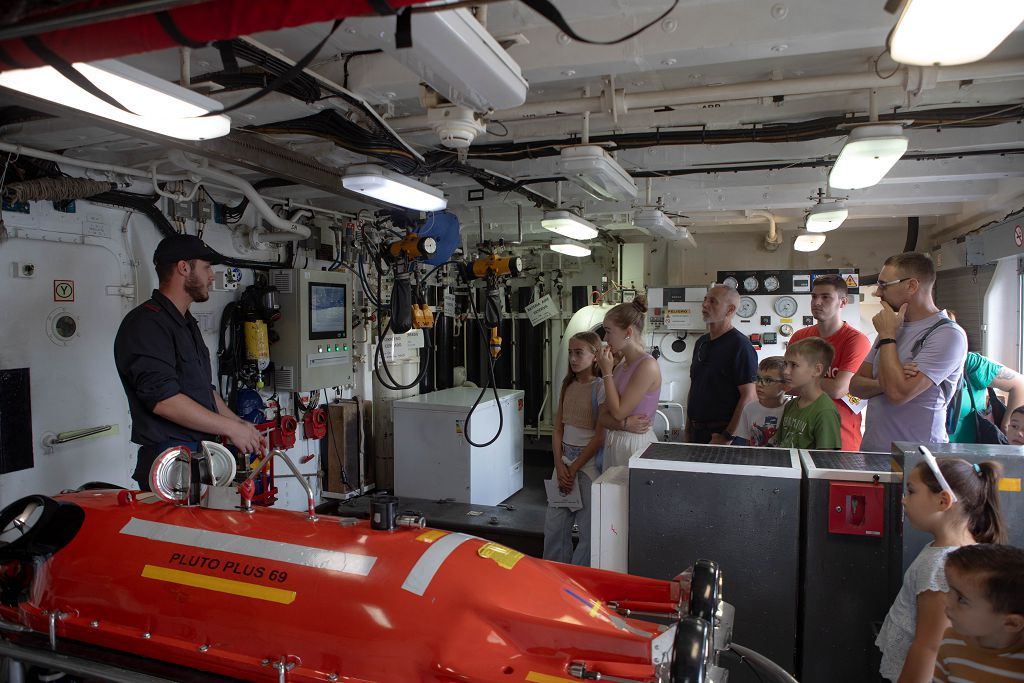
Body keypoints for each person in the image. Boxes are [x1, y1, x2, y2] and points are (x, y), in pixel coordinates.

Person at [114, 234, 262, 490]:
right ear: (183, 268)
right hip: (170, 460)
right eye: (206, 267)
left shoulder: (184, 322)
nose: (212, 276)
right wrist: (230, 427)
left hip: (198, 456)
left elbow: (204, 391)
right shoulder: (147, 324)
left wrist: (240, 426)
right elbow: (164, 401)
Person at [875, 457, 1006, 682]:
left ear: (943, 501)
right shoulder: (957, 551)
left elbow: (929, 647)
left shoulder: (941, 568)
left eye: (912, 492)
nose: (904, 501)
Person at [850, 252, 968, 452]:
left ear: (912, 286)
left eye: (884, 285)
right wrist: (887, 381)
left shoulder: (947, 334)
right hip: (873, 453)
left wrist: (888, 336)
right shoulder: (895, 326)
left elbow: (898, 394)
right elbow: (855, 386)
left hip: (917, 461)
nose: (877, 293)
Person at [543, 332, 605, 566]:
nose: (573, 358)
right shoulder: (567, 384)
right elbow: (558, 428)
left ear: (595, 356)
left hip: (587, 465)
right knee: (555, 526)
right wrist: (560, 466)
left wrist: (573, 468)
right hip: (564, 462)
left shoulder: (599, 387)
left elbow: (600, 436)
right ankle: (552, 573)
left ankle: (579, 577)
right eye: (570, 353)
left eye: (579, 353)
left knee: (589, 530)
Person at [790, 274, 871, 451]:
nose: (817, 302)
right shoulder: (799, 337)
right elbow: (787, 384)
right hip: (802, 432)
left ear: (842, 302)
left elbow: (838, 390)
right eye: (814, 296)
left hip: (840, 437)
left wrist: (802, 379)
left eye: (825, 297)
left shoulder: (856, 341)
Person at [935, 544, 1024, 681]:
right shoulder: (951, 641)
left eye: (961, 599)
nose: (946, 601)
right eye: (949, 590)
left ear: (1011, 623)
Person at [685, 284, 758, 444]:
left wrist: (727, 436)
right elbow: (695, 386)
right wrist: (688, 428)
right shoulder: (701, 342)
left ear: (730, 310)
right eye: (705, 300)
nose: (705, 305)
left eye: (713, 301)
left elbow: (749, 396)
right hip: (698, 433)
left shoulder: (740, 346)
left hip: (724, 436)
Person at [596, 296, 661, 469]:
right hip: (615, 441)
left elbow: (617, 412)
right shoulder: (622, 365)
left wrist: (606, 372)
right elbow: (603, 416)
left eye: (609, 331)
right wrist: (624, 424)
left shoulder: (647, 366)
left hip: (635, 445)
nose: (605, 337)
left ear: (628, 333)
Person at [774, 338, 842, 449]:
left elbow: (827, 459)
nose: (785, 371)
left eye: (794, 365)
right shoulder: (791, 405)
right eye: (785, 364)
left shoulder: (825, 412)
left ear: (817, 370)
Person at [732, 356, 788, 447]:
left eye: (768, 380)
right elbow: (746, 442)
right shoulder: (749, 408)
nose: (759, 384)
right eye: (758, 378)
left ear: (786, 386)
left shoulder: (791, 409)